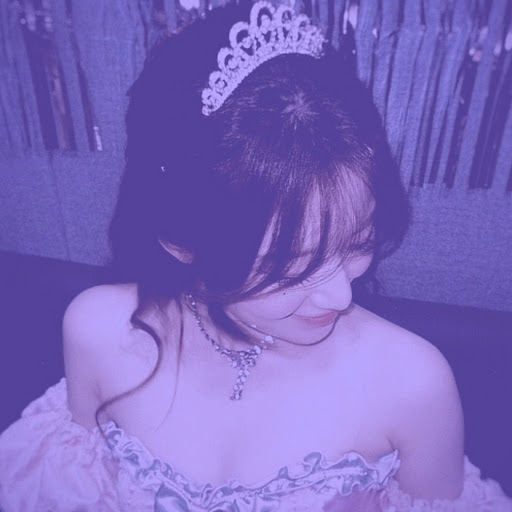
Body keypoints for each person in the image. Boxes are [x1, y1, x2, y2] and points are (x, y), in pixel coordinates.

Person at [0, 1, 511, 511]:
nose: (341, 294)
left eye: (358, 242)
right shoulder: (100, 331)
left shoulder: (413, 384)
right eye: (291, 266)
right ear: (181, 242)